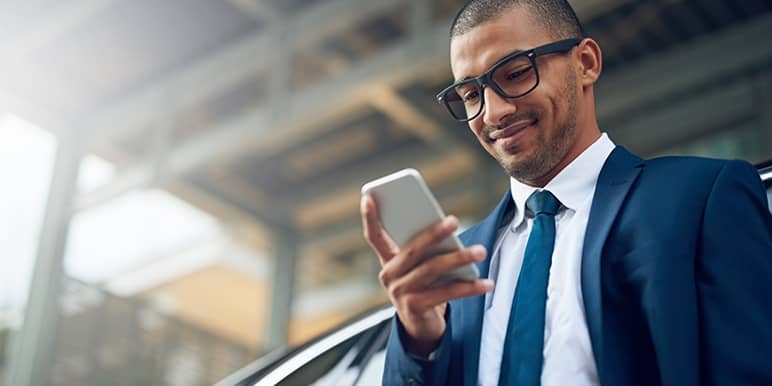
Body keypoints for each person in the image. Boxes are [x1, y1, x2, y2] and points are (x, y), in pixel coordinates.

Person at [360, 0, 772, 385]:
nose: (493, 112)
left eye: (516, 72)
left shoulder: (702, 198)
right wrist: (419, 338)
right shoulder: (457, 264)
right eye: (470, 94)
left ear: (586, 63)